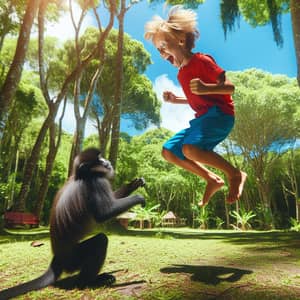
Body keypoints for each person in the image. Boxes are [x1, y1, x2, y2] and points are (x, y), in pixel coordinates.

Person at [144, 6, 247, 206]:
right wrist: (177, 100)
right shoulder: (181, 73)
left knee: (190, 148)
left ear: (181, 39)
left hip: (221, 115)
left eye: (164, 44)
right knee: (169, 151)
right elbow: (196, 97)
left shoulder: (201, 60)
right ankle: (212, 179)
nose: (162, 51)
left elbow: (229, 88)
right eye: (158, 48)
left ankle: (234, 174)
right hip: (203, 119)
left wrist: (205, 88)